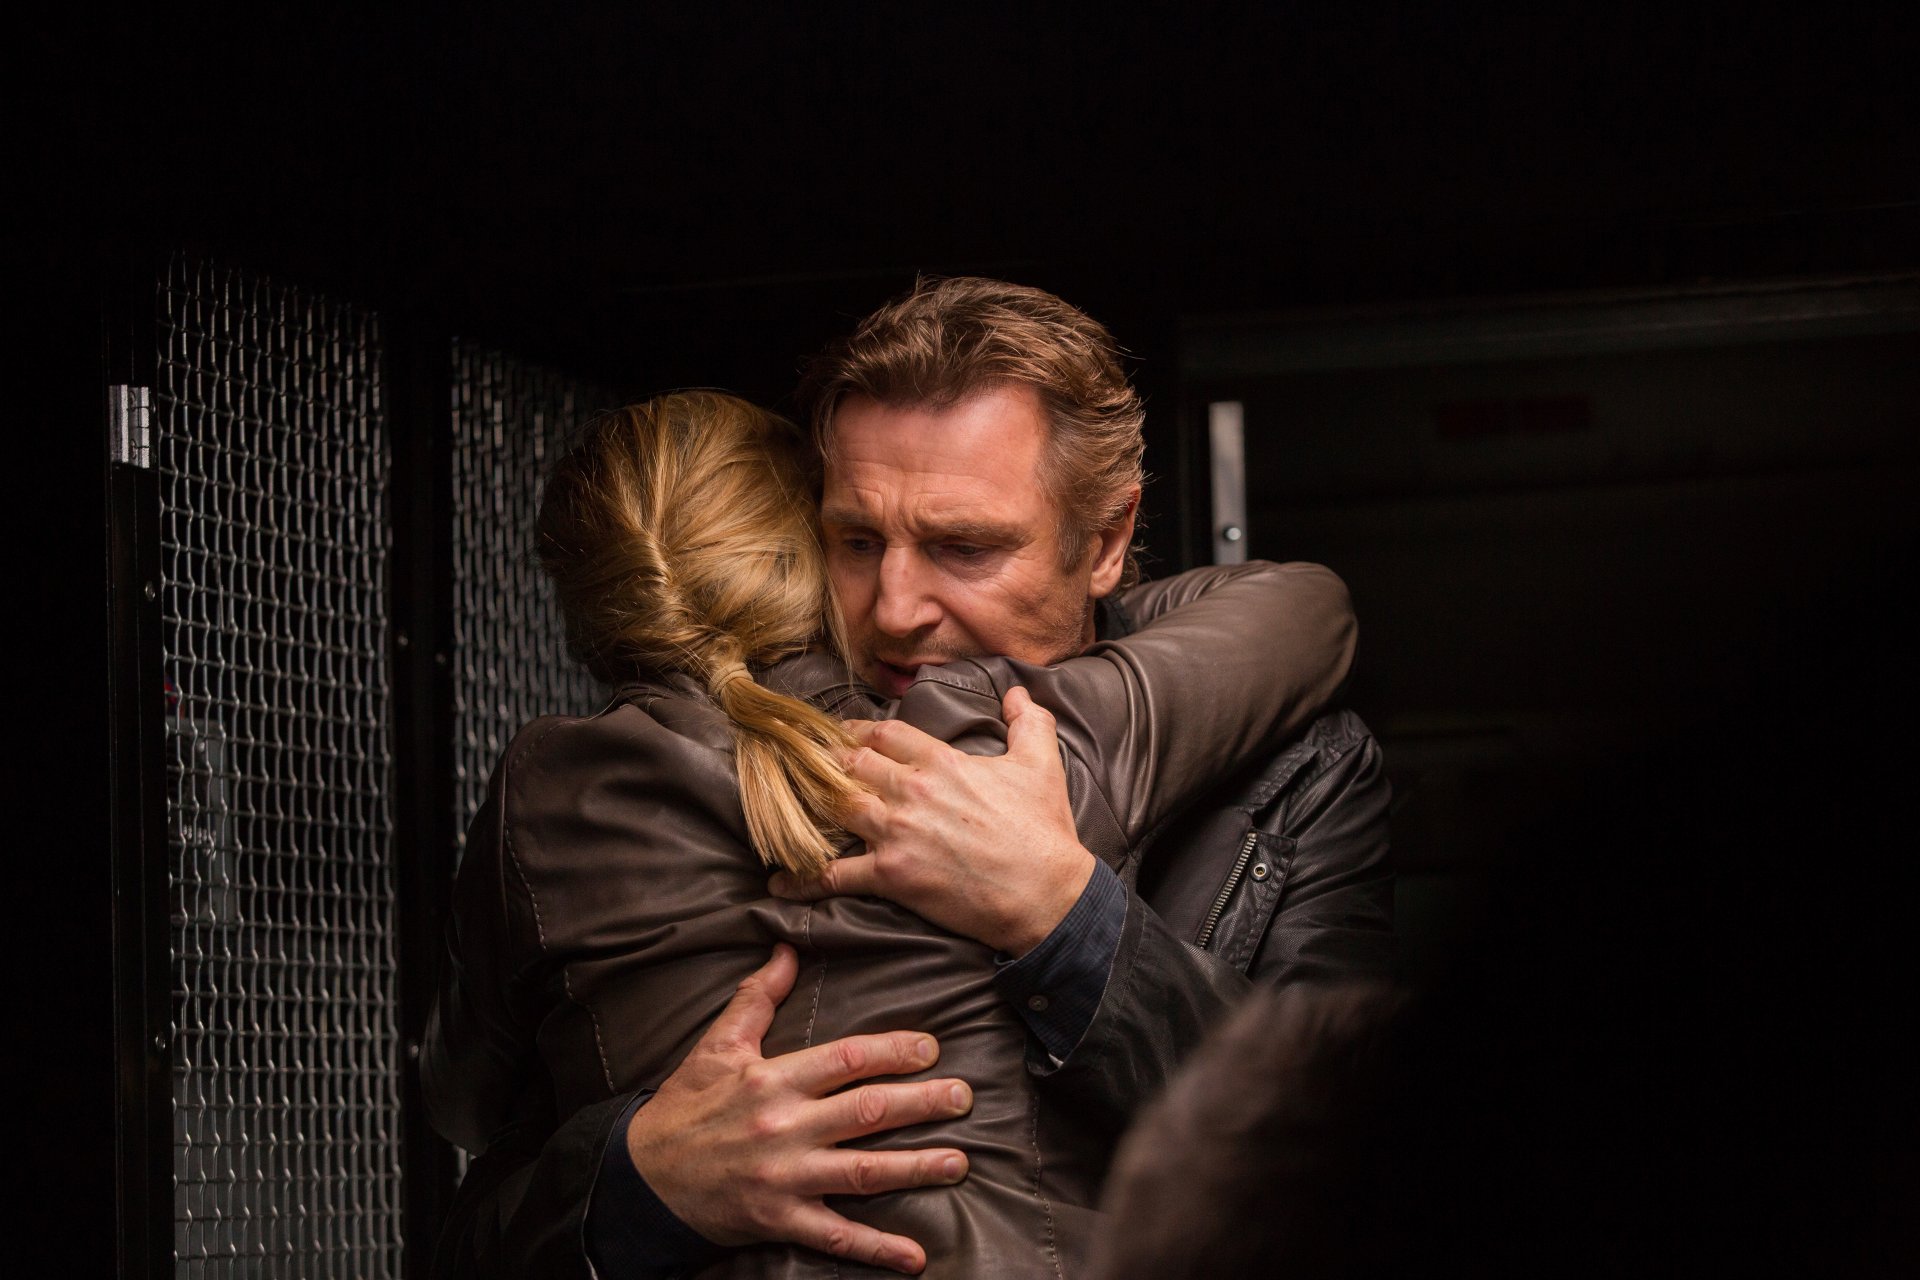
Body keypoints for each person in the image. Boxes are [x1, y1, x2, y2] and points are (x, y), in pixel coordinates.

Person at [433, 279, 1395, 1277]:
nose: (895, 609)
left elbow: (1366, 1164)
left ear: (1106, 540)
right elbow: (472, 1216)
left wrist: (1067, 921)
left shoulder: (1294, 767)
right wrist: (637, 1187)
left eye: (963, 547)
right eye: (856, 541)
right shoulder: (694, 773)